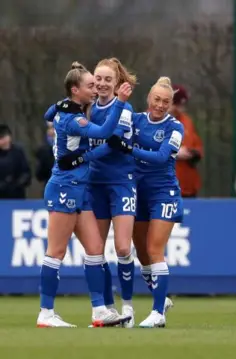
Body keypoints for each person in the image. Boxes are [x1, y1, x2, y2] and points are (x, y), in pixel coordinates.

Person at [38, 62, 133, 328]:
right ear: (75, 90)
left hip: (81, 188)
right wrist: (120, 103)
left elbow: (49, 112)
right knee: (55, 252)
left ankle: (100, 311)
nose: (96, 89)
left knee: (95, 250)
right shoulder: (74, 118)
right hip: (64, 187)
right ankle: (46, 313)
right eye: (90, 85)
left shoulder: (67, 109)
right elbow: (103, 133)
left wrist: (61, 104)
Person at [105, 76, 183, 328]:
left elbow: (161, 158)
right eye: (157, 100)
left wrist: (128, 149)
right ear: (149, 99)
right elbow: (115, 136)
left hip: (164, 193)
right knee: (141, 253)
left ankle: (157, 312)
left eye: (166, 102)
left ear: (171, 104)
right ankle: (163, 299)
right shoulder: (136, 120)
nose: (161, 105)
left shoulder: (175, 127)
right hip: (137, 193)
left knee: (154, 249)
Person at [83, 58, 138, 326]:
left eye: (108, 80)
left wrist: (84, 156)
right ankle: (106, 308)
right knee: (96, 250)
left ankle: (128, 306)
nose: (102, 84)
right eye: (98, 79)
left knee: (123, 247)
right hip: (94, 185)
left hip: (120, 183)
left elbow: (114, 143)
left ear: (116, 84)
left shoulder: (124, 109)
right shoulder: (87, 109)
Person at [170, 85, 203, 198]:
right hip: (163, 189)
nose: (181, 109)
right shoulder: (150, 120)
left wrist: (191, 153)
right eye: (177, 105)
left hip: (187, 188)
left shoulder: (186, 121)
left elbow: (198, 148)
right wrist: (174, 153)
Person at [0, 125, 32, 199]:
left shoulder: (18, 152)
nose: (2, 141)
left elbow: (26, 173)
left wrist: (17, 184)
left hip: (16, 195)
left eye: (3, 138)